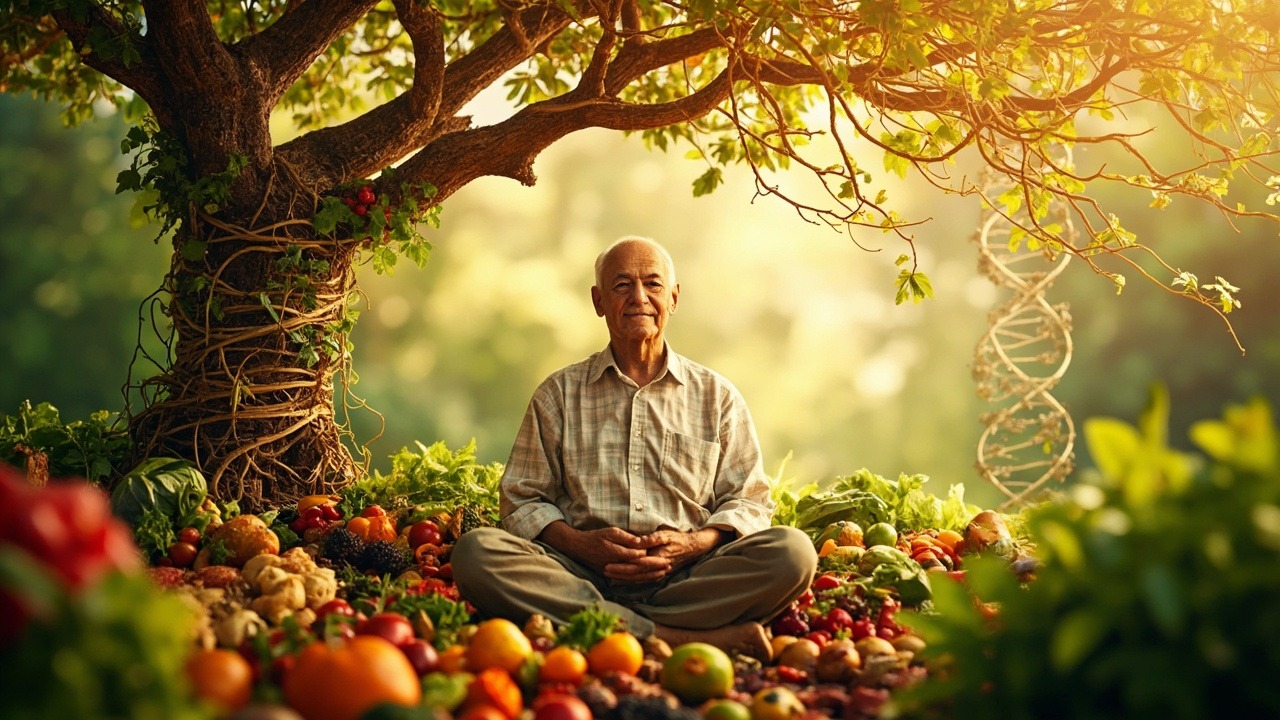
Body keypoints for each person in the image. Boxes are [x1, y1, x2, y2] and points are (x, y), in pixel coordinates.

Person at [452, 236, 817, 660]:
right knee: (477, 553)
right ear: (599, 300)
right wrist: (581, 545)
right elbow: (521, 501)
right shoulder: (558, 394)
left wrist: (694, 545)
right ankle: (672, 636)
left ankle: (601, 626)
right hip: (578, 576)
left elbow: (749, 502)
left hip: (690, 580)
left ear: (674, 298)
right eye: (622, 285)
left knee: (793, 554)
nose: (639, 297)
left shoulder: (717, 396)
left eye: (653, 285)